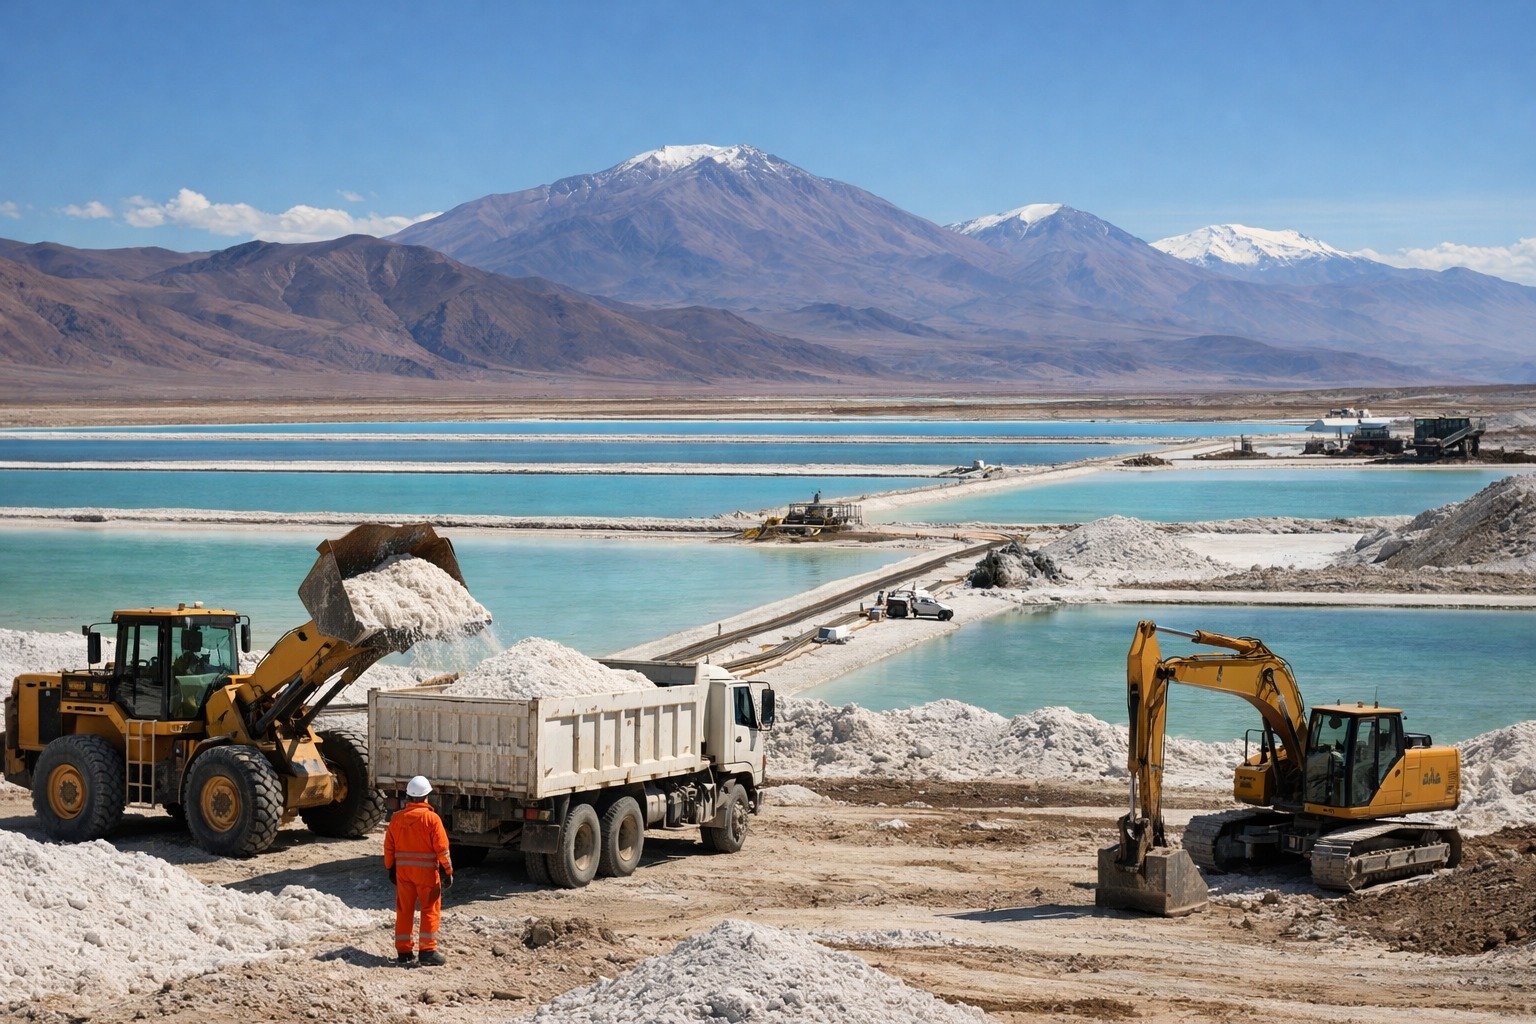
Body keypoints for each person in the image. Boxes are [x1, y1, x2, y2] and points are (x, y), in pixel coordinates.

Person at [384, 775, 453, 966]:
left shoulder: (396, 818)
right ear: (426, 797)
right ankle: (427, 951)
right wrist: (448, 871)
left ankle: (404, 952)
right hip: (427, 875)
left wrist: (390, 867)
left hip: (404, 874)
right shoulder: (432, 819)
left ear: (408, 797)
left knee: (404, 910)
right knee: (429, 909)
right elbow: (442, 849)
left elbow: (388, 847)